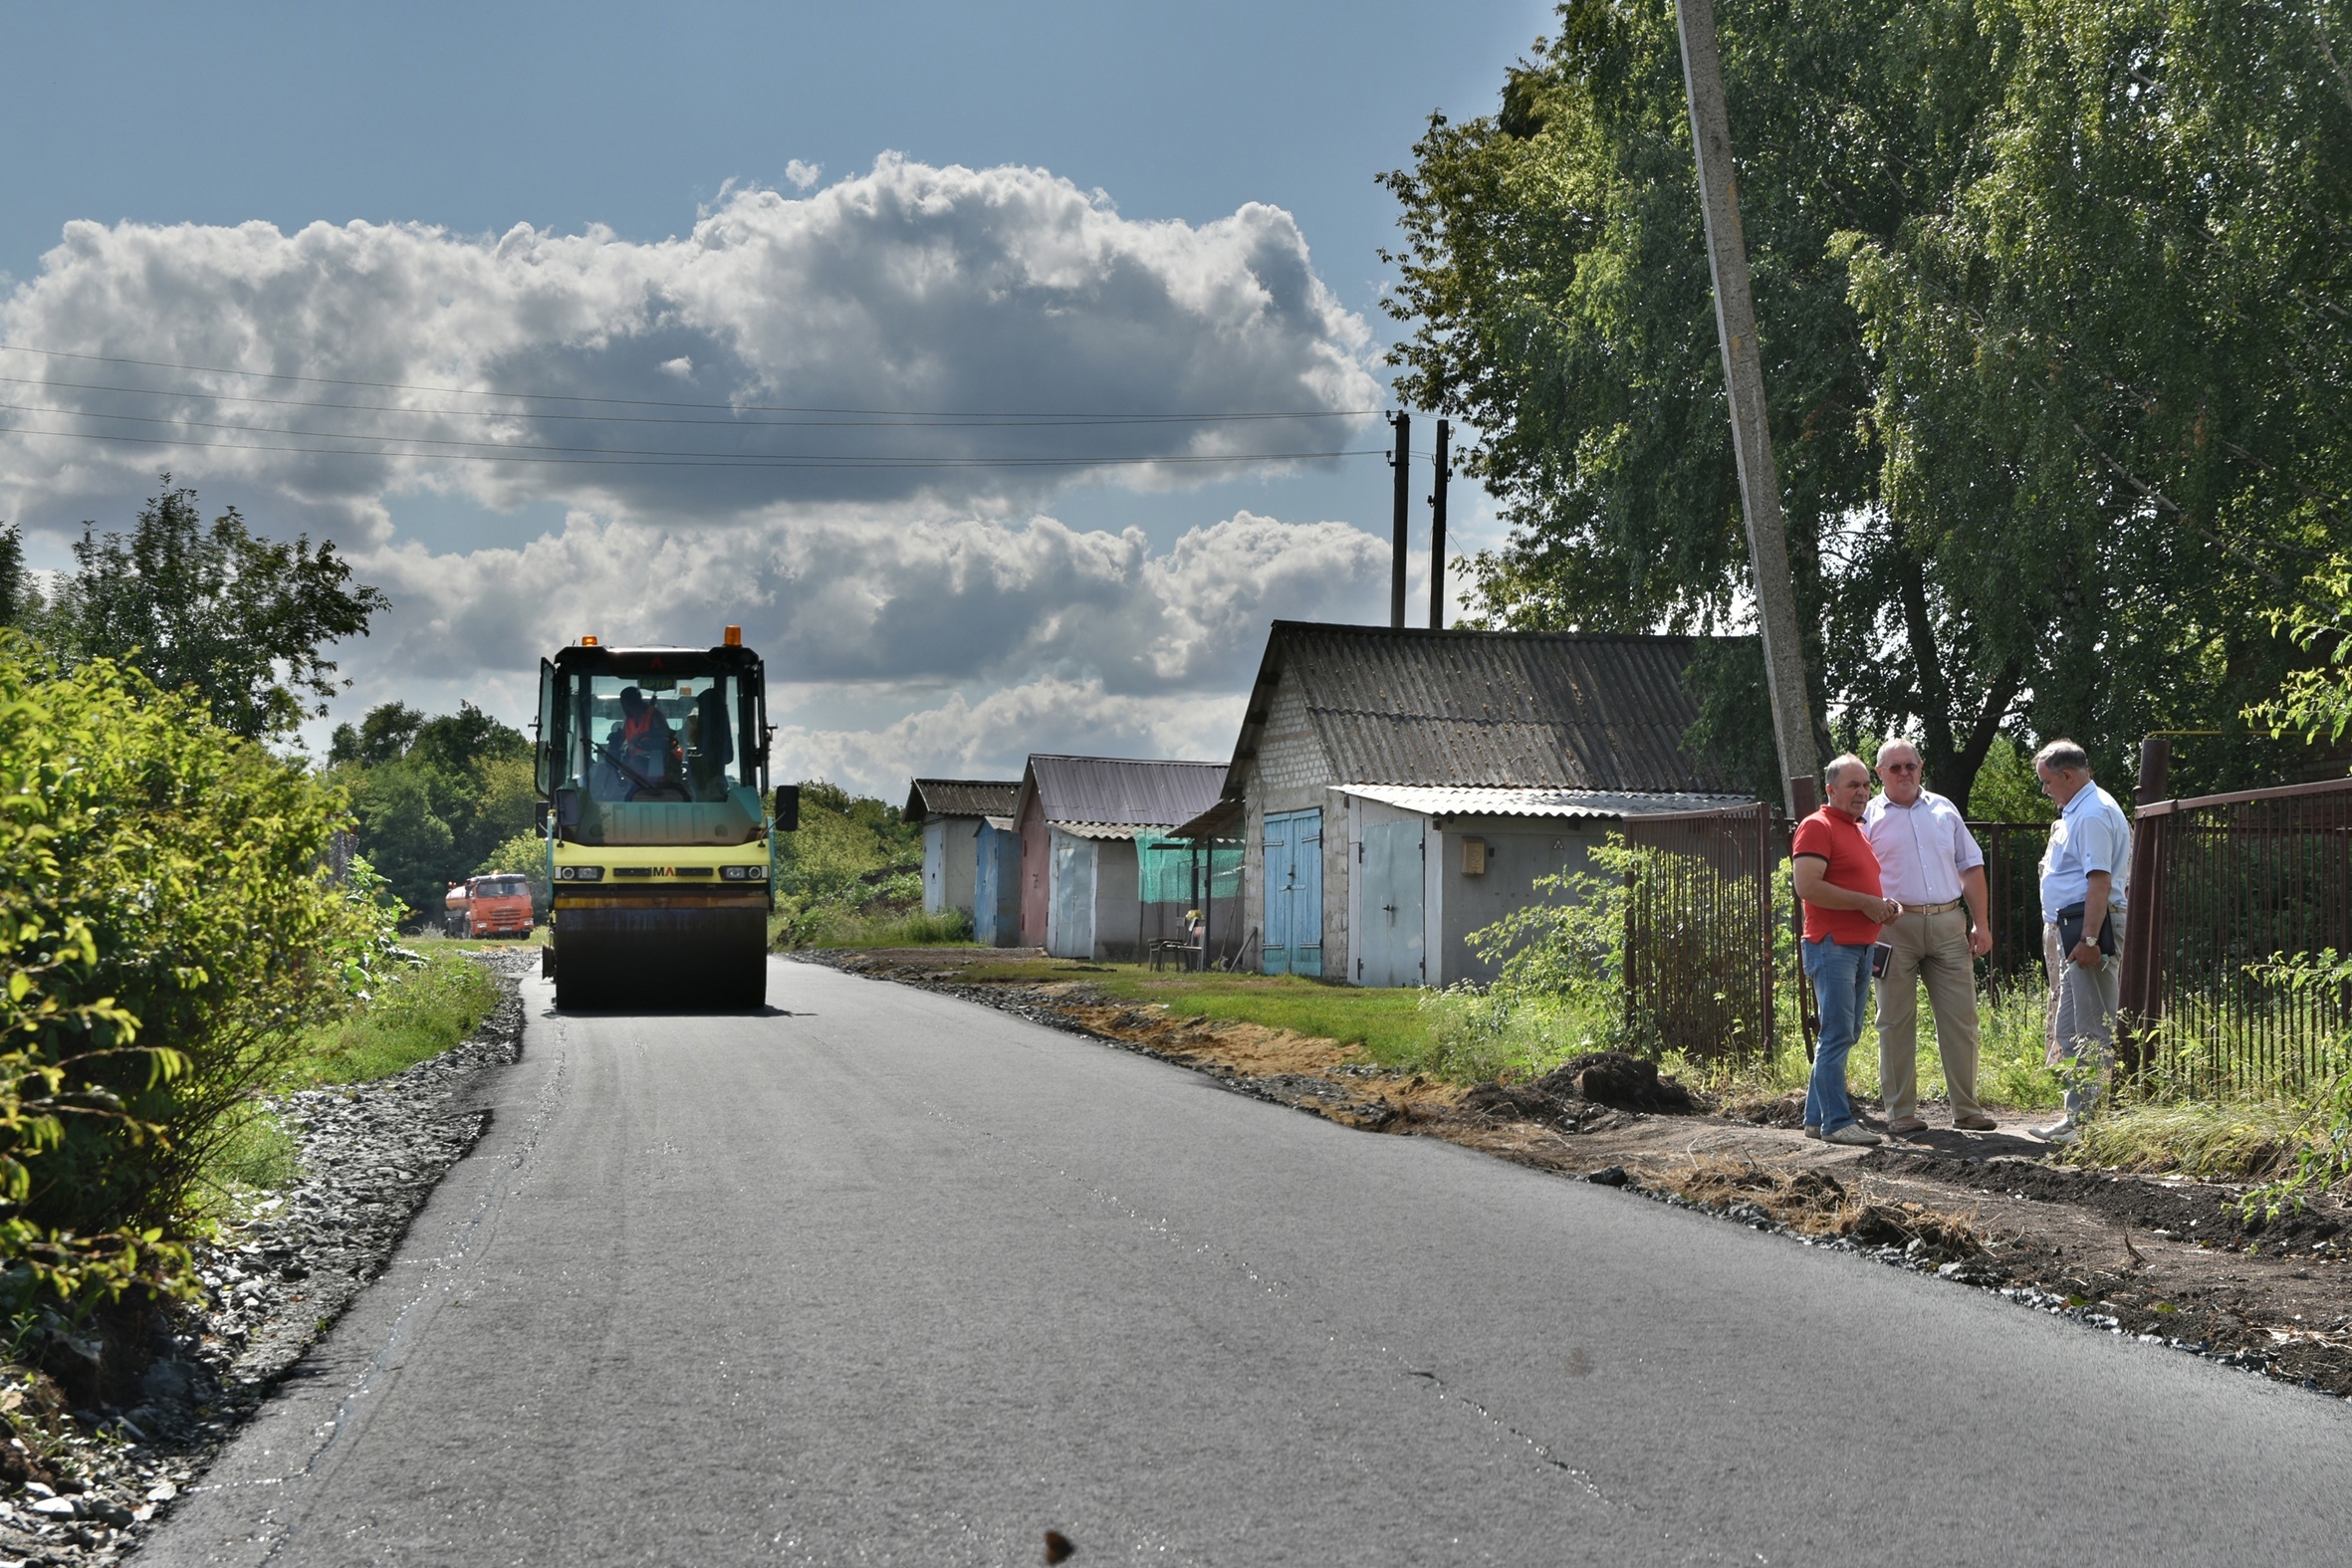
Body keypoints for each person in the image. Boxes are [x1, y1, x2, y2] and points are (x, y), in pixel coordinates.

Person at [1863, 741, 1999, 1136]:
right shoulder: (1867, 817)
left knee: (1962, 1018)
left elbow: (1971, 866)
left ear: (1921, 767)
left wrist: (1982, 924)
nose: (1904, 773)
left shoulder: (1944, 809)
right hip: (1892, 928)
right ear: (1879, 774)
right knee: (1894, 1020)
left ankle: (1967, 1110)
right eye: (1895, 768)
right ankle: (1900, 1112)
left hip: (1947, 923)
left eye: (1911, 765)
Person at [1792, 755, 1900, 1146]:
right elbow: (1807, 886)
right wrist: (1864, 903)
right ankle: (1837, 1123)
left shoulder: (1854, 829)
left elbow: (1855, 887)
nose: (1862, 792)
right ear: (1831, 790)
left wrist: (1882, 904)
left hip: (1859, 945)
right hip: (1832, 944)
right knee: (1837, 1033)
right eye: (1853, 786)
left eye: (1865, 786)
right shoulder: (1817, 826)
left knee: (1844, 1031)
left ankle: (1815, 1118)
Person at [2032, 740, 2130, 1145]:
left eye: (2047, 781)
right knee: (2071, 1027)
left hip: (2090, 931)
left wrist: (2090, 938)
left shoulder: (2092, 813)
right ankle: (2077, 1118)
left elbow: (2100, 881)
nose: (2045, 790)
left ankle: (2089, 1125)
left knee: (2091, 1028)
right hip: (2076, 931)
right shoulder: (2080, 810)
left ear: (2068, 776)